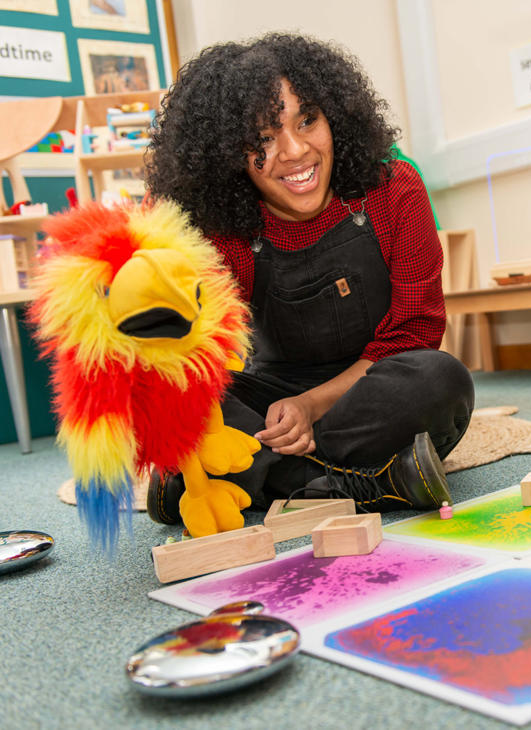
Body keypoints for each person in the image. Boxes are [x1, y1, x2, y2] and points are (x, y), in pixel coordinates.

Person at [143, 33, 475, 526]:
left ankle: (252, 482)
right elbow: (184, 351)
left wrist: (312, 406)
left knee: (442, 379)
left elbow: (415, 333)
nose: (296, 151)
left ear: (334, 117)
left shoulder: (393, 188)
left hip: (378, 380)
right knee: (186, 405)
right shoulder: (219, 227)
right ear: (228, 153)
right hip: (270, 393)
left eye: (308, 121)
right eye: (262, 138)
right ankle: (365, 483)